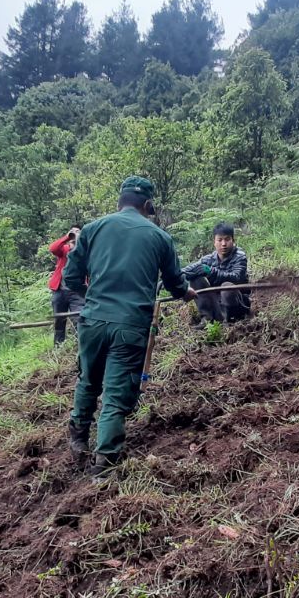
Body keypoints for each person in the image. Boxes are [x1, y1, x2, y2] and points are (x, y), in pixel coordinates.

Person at [64, 176, 197, 479]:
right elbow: (177, 284)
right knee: (115, 391)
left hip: (93, 321)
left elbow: (70, 279)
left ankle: (78, 436)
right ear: (148, 205)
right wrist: (188, 293)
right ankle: (104, 463)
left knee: (88, 379)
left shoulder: (93, 229)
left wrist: (96, 296)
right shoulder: (160, 238)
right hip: (130, 326)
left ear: (119, 201)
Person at [182, 222, 252, 323]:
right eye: (220, 240)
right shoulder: (209, 259)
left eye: (227, 239)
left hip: (238, 305)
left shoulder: (240, 257)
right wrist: (172, 277)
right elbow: (191, 269)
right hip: (217, 305)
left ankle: (230, 320)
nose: (223, 244)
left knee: (227, 286)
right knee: (196, 278)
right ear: (214, 242)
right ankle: (207, 319)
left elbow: (237, 277)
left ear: (233, 240)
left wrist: (212, 272)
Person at [47, 224, 85, 345]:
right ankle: (58, 346)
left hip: (77, 291)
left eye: (78, 232)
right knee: (59, 320)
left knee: (79, 318)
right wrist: (67, 237)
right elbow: (53, 248)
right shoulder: (64, 250)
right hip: (60, 290)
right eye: (74, 232)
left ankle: (80, 345)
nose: (76, 234)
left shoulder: (84, 251)